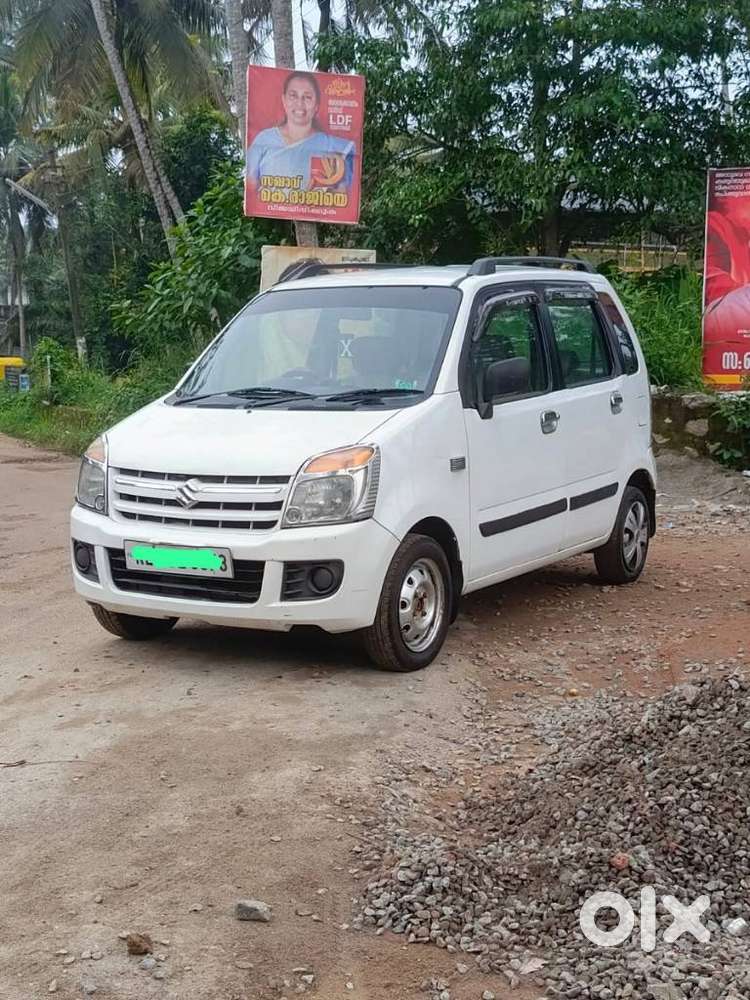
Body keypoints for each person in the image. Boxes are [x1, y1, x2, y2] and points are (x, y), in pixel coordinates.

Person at [246, 71, 355, 197]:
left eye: (307, 97)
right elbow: (250, 187)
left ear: (316, 105)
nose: (300, 103)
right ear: (284, 100)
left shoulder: (335, 146)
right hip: (271, 217)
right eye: (293, 96)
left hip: (314, 216)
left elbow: (343, 195)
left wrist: (321, 196)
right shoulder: (264, 139)